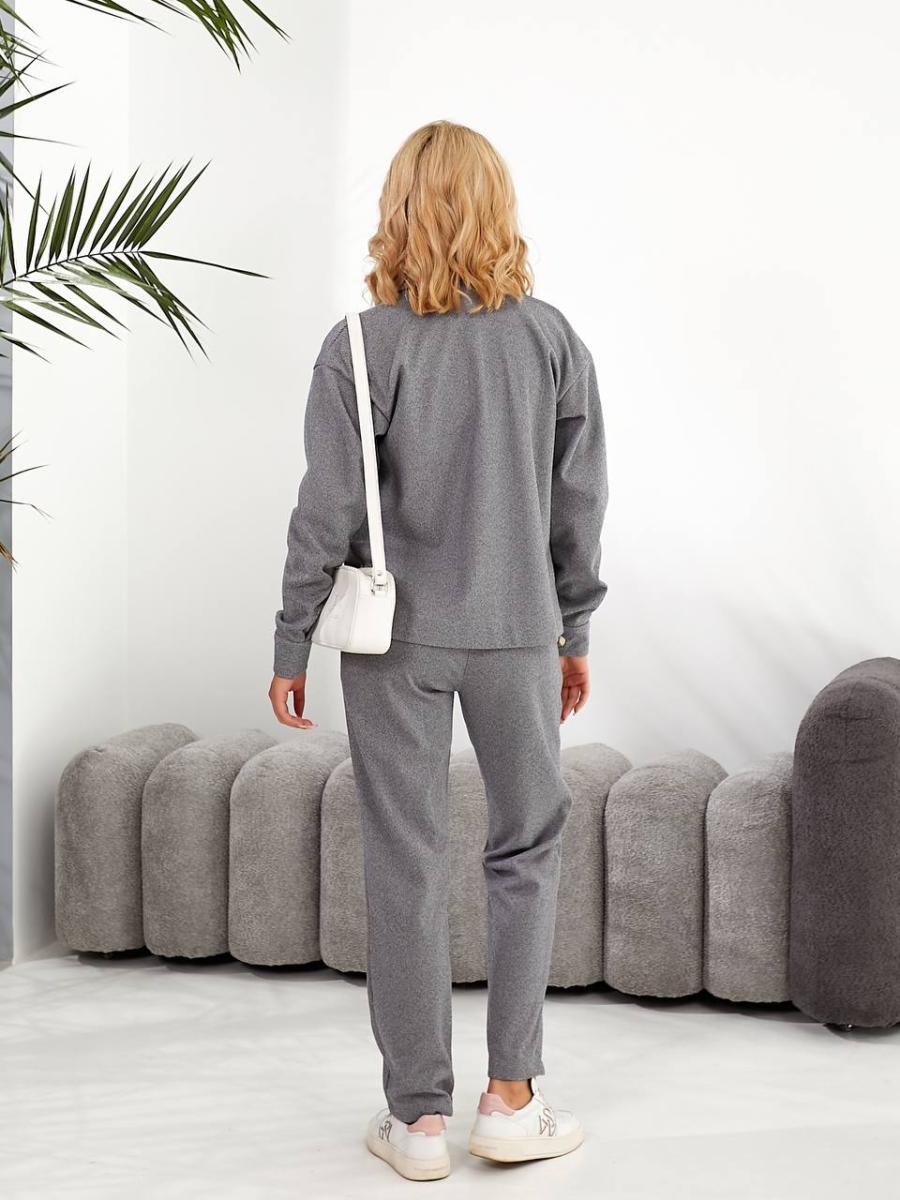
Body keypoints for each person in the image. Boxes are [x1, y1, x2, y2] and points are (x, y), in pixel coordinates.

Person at [269, 120, 608, 1182]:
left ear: (398, 212)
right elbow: (579, 504)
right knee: (526, 849)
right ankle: (512, 1100)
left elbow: (325, 508)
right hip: (518, 635)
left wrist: (291, 636)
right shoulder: (551, 339)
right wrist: (575, 627)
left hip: (395, 642)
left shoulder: (360, 343)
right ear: (499, 208)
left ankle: (418, 1122)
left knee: (405, 860)